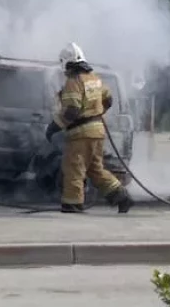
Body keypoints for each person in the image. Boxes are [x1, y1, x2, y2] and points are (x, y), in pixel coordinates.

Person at [45, 42, 133, 214]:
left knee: (74, 167)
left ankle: (72, 204)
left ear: (67, 63)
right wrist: (96, 113)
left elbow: (72, 111)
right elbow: (109, 99)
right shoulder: (95, 79)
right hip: (97, 132)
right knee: (95, 169)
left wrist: (54, 127)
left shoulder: (74, 81)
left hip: (80, 134)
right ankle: (122, 196)